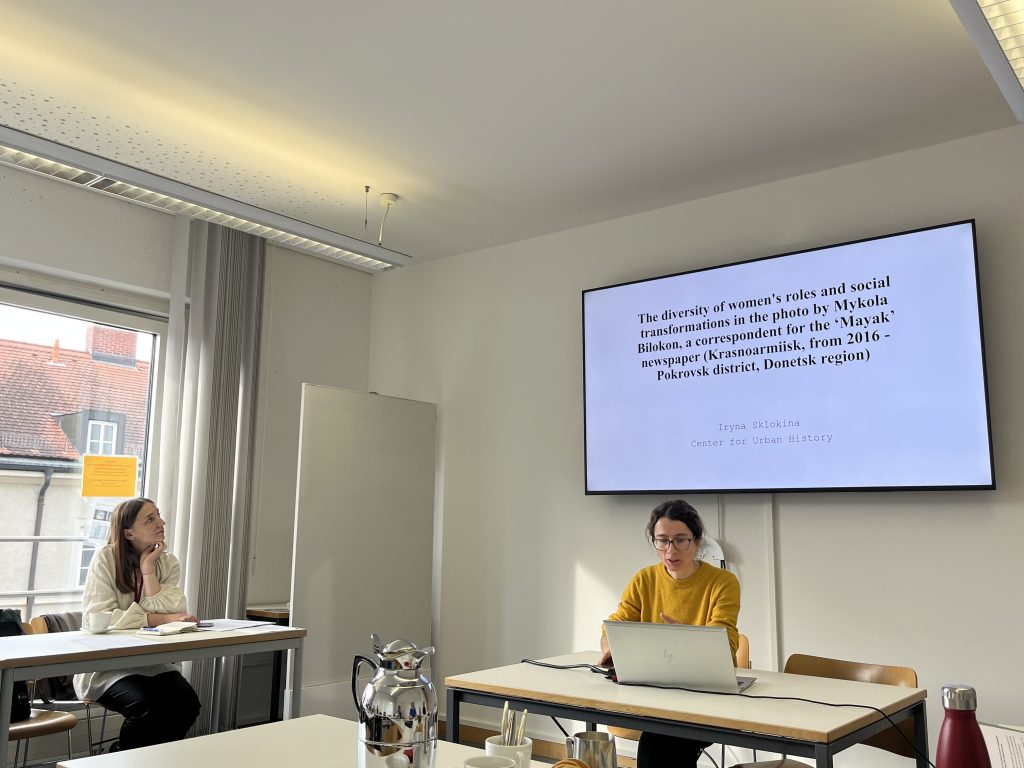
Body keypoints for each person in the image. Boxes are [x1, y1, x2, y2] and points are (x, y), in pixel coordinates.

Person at [599, 499, 740, 768]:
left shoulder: (723, 582)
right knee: (660, 740)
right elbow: (614, 625)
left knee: (659, 744)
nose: (670, 550)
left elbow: (727, 642)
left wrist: (683, 638)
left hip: (707, 696)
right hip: (652, 694)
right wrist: (610, 646)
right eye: (662, 541)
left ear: (697, 542)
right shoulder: (644, 579)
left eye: (680, 540)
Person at [73, 497, 201, 751]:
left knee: (187, 704)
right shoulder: (105, 559)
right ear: (128, 533)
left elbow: (175, 610)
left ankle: (145, 758)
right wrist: (160, 619)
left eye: (159, 515)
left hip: (153, 662)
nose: (162, 522)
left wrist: (148, 569)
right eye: (150, 519)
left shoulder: (167, 562)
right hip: (108, 667)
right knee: (147, 707)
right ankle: (124, 758)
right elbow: (101, 617)